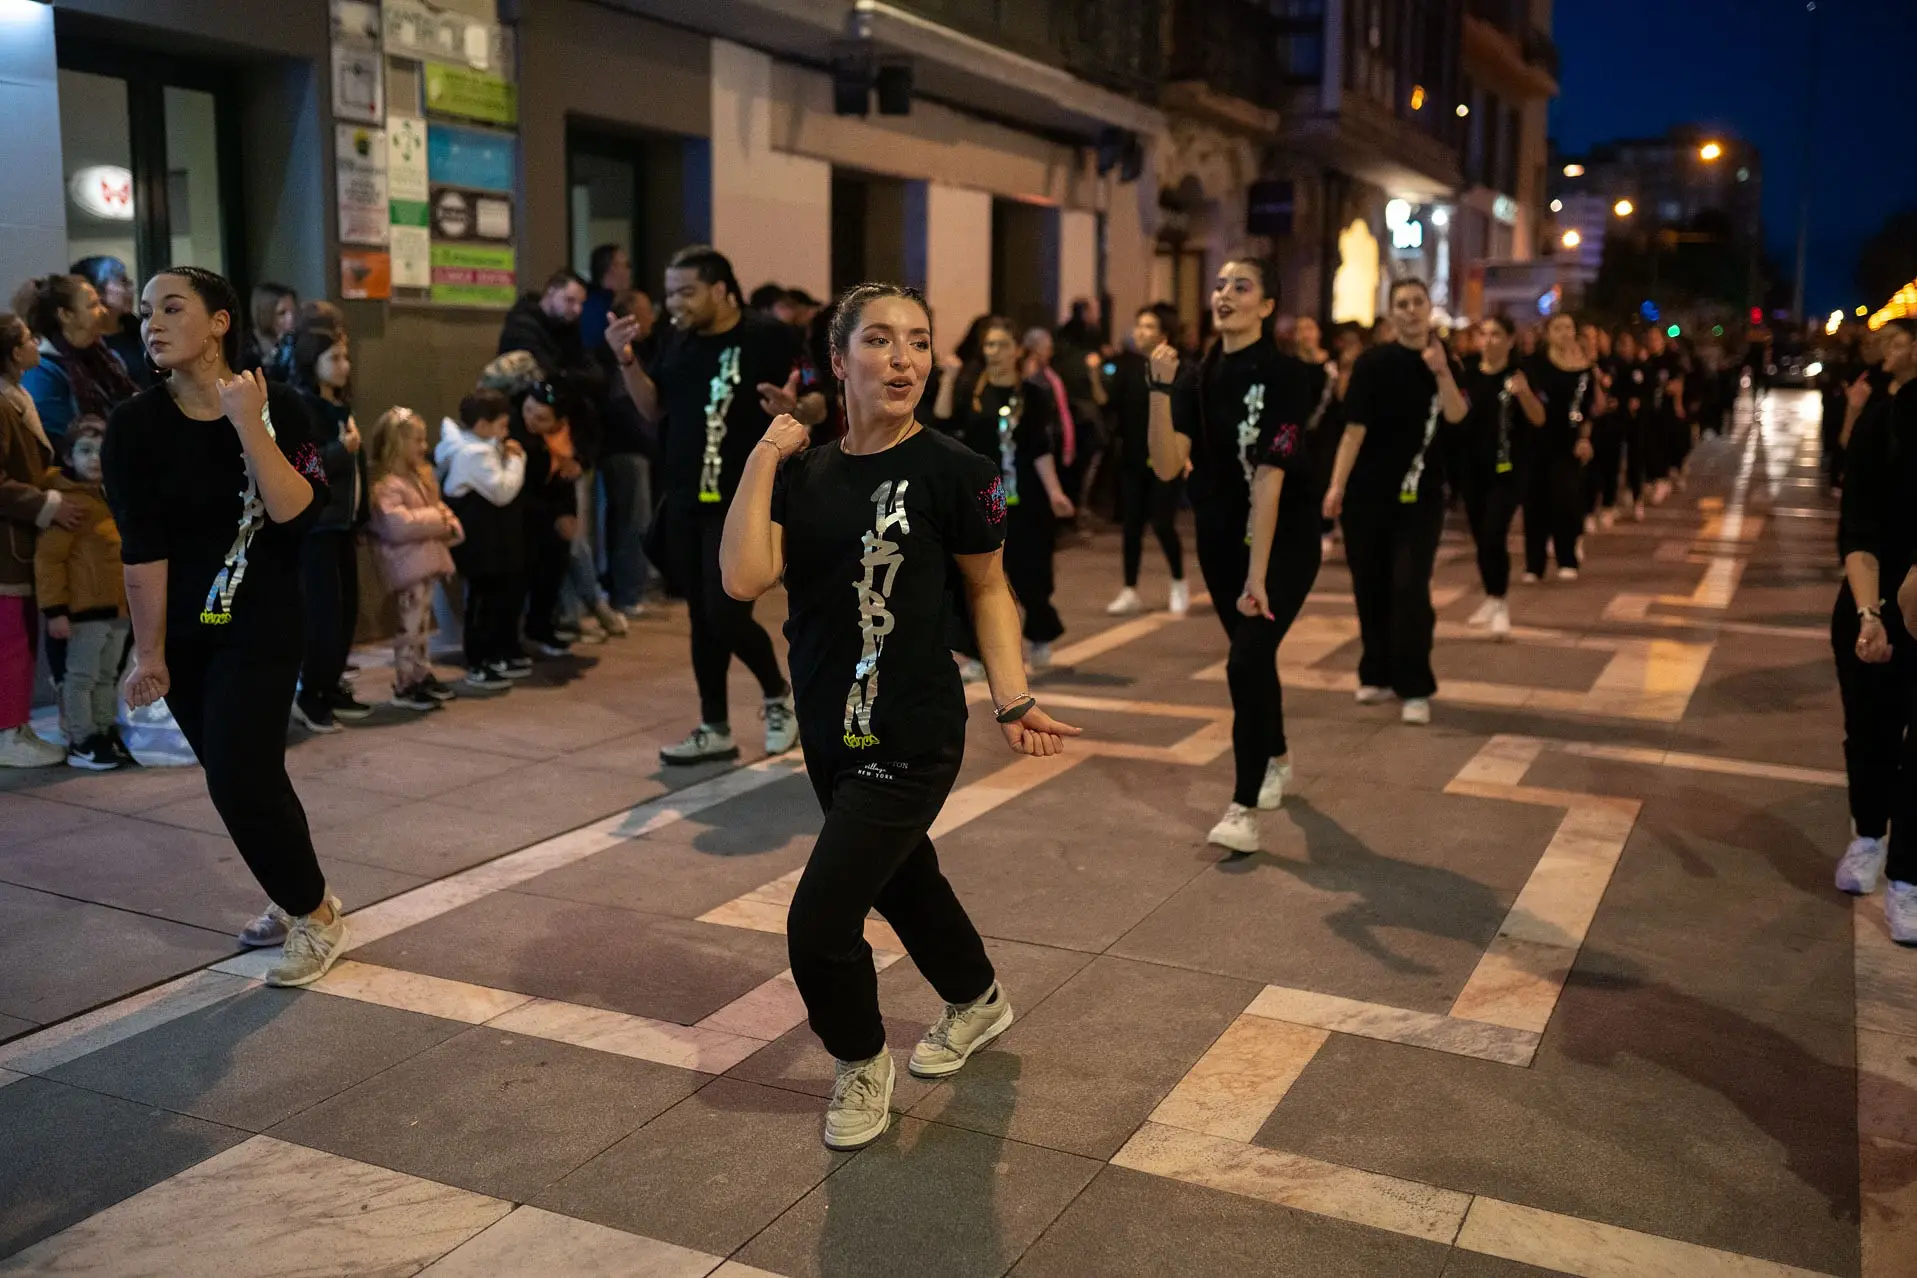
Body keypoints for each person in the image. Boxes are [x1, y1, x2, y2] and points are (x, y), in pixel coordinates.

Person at [718, 281, 1079, 1150]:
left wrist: (1012, 695)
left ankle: (859, 1060)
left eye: (918, 340)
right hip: (830, 729)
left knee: (819, 924)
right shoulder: (802, 473)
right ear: (838, 361)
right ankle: (978, 999)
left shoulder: (961, 473)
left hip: (914, 730)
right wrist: (766, 453)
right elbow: (741, 579)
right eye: (879, 341)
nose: (904, 358)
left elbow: (989, 589)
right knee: (901, 878)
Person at [103, 265, 346, 985]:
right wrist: (148, 655)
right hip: (185, 631)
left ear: (219, 323)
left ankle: (315, 913)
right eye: (146, 312)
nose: (152, 322)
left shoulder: (286, 408)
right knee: (246, 775)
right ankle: (292, 887)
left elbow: (295, 511)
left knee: (239, 776)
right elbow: (141, 549)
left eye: (172, 307)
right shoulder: (133, 425)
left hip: (263, 624)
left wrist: (247, 423)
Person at [609, 244, 817, 764]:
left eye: (686, 291)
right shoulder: (677, 341)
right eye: (670, 290)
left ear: (721, 289)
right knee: (702, 619)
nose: (674, 301)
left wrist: (797, 408)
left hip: (743, 501)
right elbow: (654, 408)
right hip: (684, 499)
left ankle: (777, 696)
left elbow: (819, 397)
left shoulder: (767, 336)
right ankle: (714, 725)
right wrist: (626, 360)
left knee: (726, 612)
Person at [1148, 257, 1321, 853]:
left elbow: (1271, 476)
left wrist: (1259, 574)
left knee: (1244, 661)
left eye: (1241, 286)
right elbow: (1168, 465)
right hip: (1220, 539)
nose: (1224, 294)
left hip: (1285, 542)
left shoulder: (1291, 375)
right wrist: (1158, 392)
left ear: (1267, 306)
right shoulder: (1199, 375)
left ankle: (1243, 807)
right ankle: (1275, 754)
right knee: (1254, 657)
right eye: (1220, 285)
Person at [1321, 278, 1468, 726]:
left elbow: (1457, 416)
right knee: (1370, 585)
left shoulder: (1445, 361)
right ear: (1390, 313)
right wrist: (1336, 486)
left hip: (1421, 495)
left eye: (1417, 303)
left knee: (1409, 586)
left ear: (1429, 308)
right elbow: (1353, 431)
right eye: (1401, 304)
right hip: (1369, 493)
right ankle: (1376, 672)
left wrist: (1442, 370)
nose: (1409, 311)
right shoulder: (1372, 363)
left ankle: (1415, 684)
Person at [1831, 319, 1917, 943]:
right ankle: (1869, 835)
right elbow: (1857, 529)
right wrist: (1871, 613)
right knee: (1871, 729)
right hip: (1875, 598)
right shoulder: (1881, 420)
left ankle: (1909, 877)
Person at [932, 318, 1074, 670]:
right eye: (989, 345)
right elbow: (943, 421)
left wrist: (1055, 492)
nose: (994, 352)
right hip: (981, 496)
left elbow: (1040, 448)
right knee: (977, 577)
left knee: (1030, 573)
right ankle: (980, 656)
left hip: (1026, 498)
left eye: (1002, 345)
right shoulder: (971, 389)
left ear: (1017, 351)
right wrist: (948, 379)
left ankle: (1040, 630)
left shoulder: (1033, 395)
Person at [1, 312, 82, 767]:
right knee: (11, 639)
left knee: (19, 637)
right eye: (30, 337)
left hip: (19, 540)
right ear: (15, 352)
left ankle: (18, 727)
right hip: (7, 546)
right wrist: (46, 503)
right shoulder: (2, 403)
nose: (36, 343)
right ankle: (9, 732)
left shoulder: (16, 397)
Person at [287, 324, 371, 732]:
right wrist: (341, 451)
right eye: (334, 358)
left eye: (345, 357)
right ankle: (311, 693)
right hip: (317, 527)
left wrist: (362, 514)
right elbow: (303, 466)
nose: (344, 365)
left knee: (347, 610)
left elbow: (359, 471)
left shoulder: (341, 406)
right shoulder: (301, 408)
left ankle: (331, 683)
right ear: (311, 362)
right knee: (323, 614)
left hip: (343, 524)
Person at [34, 416, 129, 768]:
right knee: (81, 677)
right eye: (85, 450)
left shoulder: (111, 499)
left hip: (117, 610)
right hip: (82, 612)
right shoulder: (67, 503)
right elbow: (49, 562)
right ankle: (81, 738)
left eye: (102, 452)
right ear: (69, 457)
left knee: (107, 676)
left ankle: (103, 730)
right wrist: (55, 610)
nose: (94, 459)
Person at [364, 407, 461, 710]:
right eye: (417, 441)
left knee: (421, 627)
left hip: (423, 563)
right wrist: (438, 519)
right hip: (406, 566)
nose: (424, 447)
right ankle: (406, 682)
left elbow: (434, 509)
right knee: (409, 627)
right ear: (397, 443)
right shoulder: (388, 485)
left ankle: (421, 673)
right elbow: (397, 525)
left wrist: (448, 521)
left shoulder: (418, 478)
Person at [1458, 316, 1544, 639]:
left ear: (1510, 340)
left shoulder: (1520, 375)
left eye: (1497, 334)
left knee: (1494, 532)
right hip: (1471, 469)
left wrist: (1524, 394)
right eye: (1485, 334)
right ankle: (1491, 596)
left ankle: (1500, 602)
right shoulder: (1467, 374)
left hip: (1508, 469)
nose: (1490, 340)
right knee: (1481, 537)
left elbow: (1538, 418)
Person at [437, 389, 528, 689]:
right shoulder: (474, 453)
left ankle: (494, 654)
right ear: (482, 425)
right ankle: (479, 661)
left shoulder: (473, 446)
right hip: (480, 543)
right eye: (502, 425)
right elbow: (501, 491)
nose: (505, 432)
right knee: (482, 602)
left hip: (488, 541)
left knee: (493, 598)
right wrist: (517, 460)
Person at [1104, 305, 1187, 617]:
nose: (1141, 331)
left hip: (1166, 457)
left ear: (1164, 335)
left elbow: (1184, 415)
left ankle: (1178, 581)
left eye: (1149, 326)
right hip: (1133, 458)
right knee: (1132, 526)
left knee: (1163, 523)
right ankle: (1129, 589)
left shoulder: (1179, 369)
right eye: (1139, 325)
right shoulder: (1128, 368)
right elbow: (1113, 408)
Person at [14, 273, 138, 451]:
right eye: (93, 305)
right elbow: (67, 439)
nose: (103, 310)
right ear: (65, 315)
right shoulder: (42, 372)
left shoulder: (105, 358)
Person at [1521, 313, 1599, 583]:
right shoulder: (1534, 365)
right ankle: (1534, 564)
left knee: (1565, 500)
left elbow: (1587, 409)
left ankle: (1567, 557)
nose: (1564, 333)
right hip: (1536, 440)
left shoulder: (1584, 369)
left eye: (1569, 327)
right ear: (1547, 333)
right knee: (1534, 503)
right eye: (1558, 328)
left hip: (1568, 444)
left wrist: (1585, 438)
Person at [597, 292, 659, 618]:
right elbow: (626, 407)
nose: (653, 318)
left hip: (631, 449)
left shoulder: (644, 350)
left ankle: (630, 589)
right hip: (625, 449)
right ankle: (628, 594)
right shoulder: (617, 354)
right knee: (632, 523)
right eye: (647, 312)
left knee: (633, 522)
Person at [516, 380, 582, 658]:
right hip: (522, 519)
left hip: (549, 517)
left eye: (541, 417)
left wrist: (567, 515)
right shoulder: (516, 435)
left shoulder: (566, 438)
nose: (531, 419)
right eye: (528, 409)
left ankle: (542, 626)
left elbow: (563, 482)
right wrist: (557, 516)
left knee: (555, 566)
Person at [70, 256, 151, 389]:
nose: (131, 289)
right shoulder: (86, 340)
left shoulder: (139, 329)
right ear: (97, 290)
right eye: (123, 282)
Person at [497, 269, 590, 376]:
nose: (577, 309)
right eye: (570, 300)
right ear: (551, 291)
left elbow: (595, 373)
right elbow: (545, 373)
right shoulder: (521, 327)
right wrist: (570, 375)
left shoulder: (569, 327)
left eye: (581, 303)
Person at [579, 244, 631, 351]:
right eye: (626, 265)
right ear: (613, 269)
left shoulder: (609, 303)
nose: (629, 272)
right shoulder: (594, 309)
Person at [244, 284, 300, 382]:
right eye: (282, 313)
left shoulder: (296, 343)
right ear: (264, 313)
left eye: (293, 312)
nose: (291, 318)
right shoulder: (246, 351)